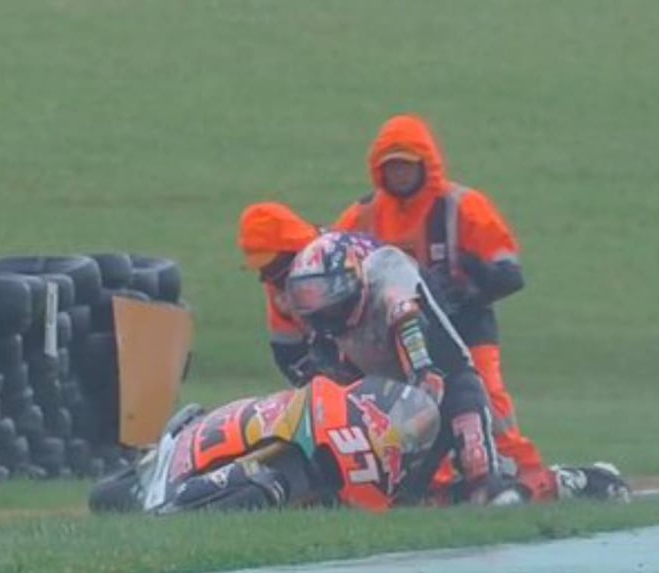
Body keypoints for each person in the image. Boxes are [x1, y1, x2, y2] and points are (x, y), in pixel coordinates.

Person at [332, 114, 557, 499]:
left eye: (406, 165)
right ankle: (432, 483)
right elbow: (332, 261)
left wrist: (470, 285)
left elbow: (509, 273)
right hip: (397, 333)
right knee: (408, 406)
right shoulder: (363, 215)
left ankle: (522, 470)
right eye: (392, 166)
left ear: (426, 164)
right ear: (379, 170)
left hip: (465, 322)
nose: (400, 173)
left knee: (487, 395)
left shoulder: (463, 206)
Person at [285, 232, 522, 505]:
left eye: (321, 291)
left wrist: (419, 373)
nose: (317, 306)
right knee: (398, 498)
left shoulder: (389, 282)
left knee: (480, 474)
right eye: (306, 294)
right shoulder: (324, 337)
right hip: (393, 399)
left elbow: (413, 337)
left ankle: (497, 482)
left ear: (345, 282)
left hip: (442, 384)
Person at [236, 202, 323, 386]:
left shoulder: (341, 260)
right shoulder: (277, 280)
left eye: (270, 266)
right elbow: (286, 348)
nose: (264, 277)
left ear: (292, 251)